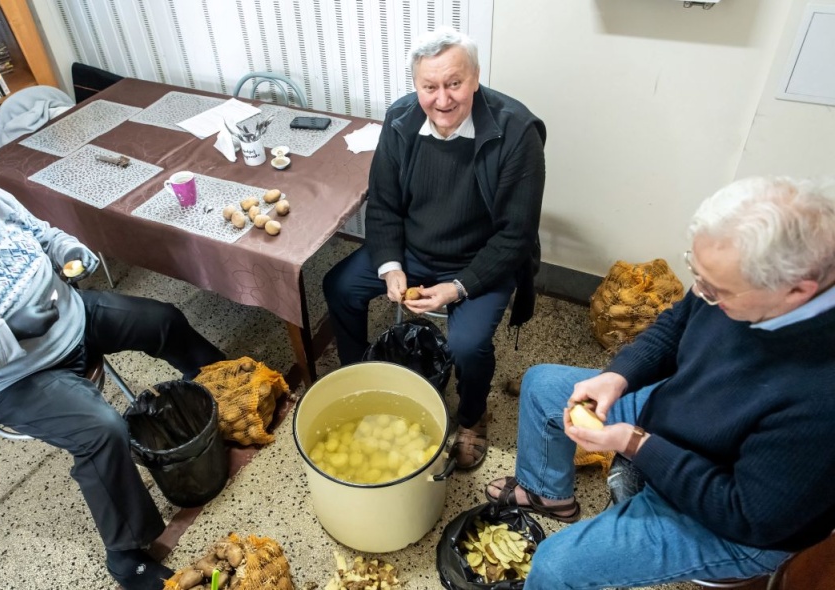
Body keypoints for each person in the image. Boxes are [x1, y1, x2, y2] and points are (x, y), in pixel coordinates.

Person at [0, 141, 226, 590]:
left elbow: (39, 232)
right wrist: (6, 336)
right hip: (14, 377)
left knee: (163, 320)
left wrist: (66, 250)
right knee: (101, 430)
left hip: (68, 314)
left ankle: (230, 391)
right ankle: (126, 558)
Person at [484, 177, 835, 587]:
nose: (700, 291)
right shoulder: (741, 277)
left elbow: (746, 514)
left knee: (555, 567)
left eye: (716, 289)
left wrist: (636, 445)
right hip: (687, 419)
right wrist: (619, 376)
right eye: (696, 274)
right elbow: (680, 321)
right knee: (544, 385)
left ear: (796, 290)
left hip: (733, 516)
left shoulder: (821, 398)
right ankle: (549, 495)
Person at [323, 27, 546, 470]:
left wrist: (456, 288)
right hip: (412, 251)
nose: (442, 99)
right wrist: (390, 266)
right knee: (339, 286)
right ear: (416, 86)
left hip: (480, 261)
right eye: (430, 87)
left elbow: (515, 235)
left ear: (476, 77)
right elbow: (383, 202)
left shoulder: (517, 130)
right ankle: (362, 375)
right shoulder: (402, 118)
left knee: (467, 344)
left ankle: (471, 414)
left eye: (454, 83)